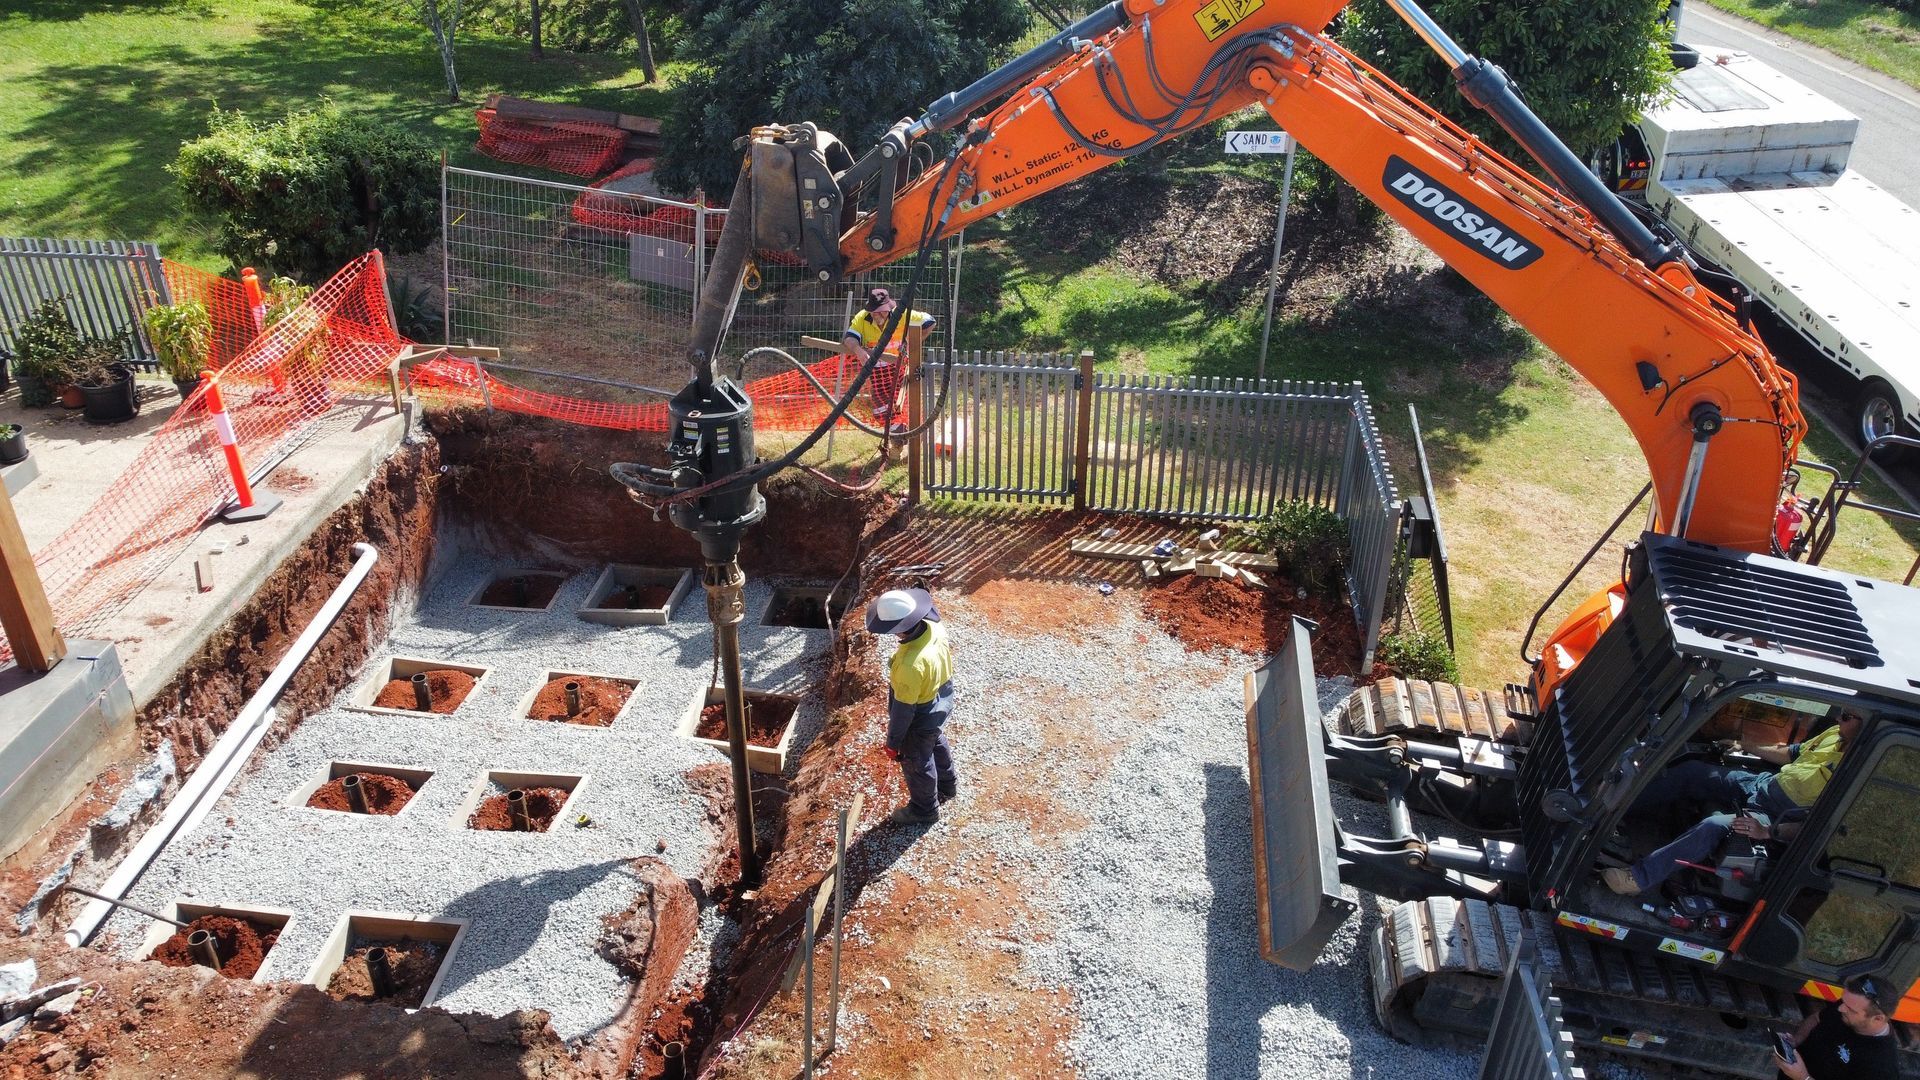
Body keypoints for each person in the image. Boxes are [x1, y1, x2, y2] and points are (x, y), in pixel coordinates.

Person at [1604, 710, 1863, 895]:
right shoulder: (1834, 733)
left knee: (1714, 825)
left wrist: (1767, 832)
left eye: (1848, 717)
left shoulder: (1854, 774)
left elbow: (1818, 827)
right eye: (1843, 713)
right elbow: (1790, 754)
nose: (1839, 717)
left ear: (1863, 726)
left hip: (1775, 816)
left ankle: (1637, 879)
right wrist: (1745, 744)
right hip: (1763, 784)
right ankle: (1608, 811)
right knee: (1693, 771)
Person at [867, 587, 958, 825]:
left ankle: (924, 809)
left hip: (920, 714)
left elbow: (902, 712)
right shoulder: (935, 627)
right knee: (935, 739)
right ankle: (949, 784)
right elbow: (931, 610)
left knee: (918, 761)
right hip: (942, 697)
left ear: (899, 629)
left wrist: (893, 743)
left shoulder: (909, 666)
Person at [1772, 975, 1897, 1080]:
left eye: (1850, 1009)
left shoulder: (1881, 1068)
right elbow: (1816, 1018)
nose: (1840, 1008)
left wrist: (1803, 1077)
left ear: (1877, 1018)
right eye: (1843, 1001)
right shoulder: (1848, 1006)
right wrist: (1797, 1039)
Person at [842, 287, 936, 423]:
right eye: (874, 312)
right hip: (877, 372)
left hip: (899, 368)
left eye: (881, 312)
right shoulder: (862, 318)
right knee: (881, 413)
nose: (877, 315)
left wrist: (913, 343)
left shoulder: (902, 314)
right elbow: (849, 338)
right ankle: (892, 435)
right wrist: (858, 350)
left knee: (900, 406)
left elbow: (930, 322)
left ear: (888, 308)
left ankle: (898, 436)